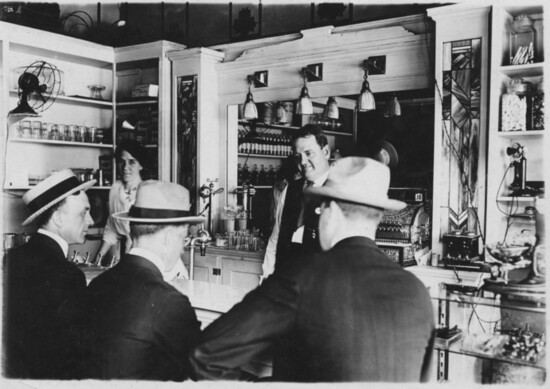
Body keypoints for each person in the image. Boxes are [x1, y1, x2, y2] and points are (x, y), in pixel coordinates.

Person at [189, 157, 435, 382]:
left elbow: (206, 356)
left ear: (331, 211)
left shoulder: (301, 278)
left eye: (319, 209)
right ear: (378, 217)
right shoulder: (417, 292)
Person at [83, 180, 203, 381]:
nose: (182, 249)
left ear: (132, 229)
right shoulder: (170, 302)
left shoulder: (99, 283)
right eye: (183, 239)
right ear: (169, 237)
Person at [3, 169, 95, 379]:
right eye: (84, 212)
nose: (90, 221)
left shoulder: (12, 258)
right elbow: (74, 355)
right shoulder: (68, 275)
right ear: (59, 218)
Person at [261, 124, 331, 279]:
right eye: (298, 156)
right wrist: (266, 278)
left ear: (325, 152)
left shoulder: (341, 191)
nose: (303, 161)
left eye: (308, 153)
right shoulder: (289, 190)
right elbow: (276, 239)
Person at [94, 139, 147, 264]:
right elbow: (112, 228)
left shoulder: (146, 191)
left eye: (132, 162)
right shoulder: (116, 188)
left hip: (144, 254)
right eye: (121, 162)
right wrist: (96, 260)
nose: (125, 167)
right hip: (127, 253)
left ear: (141, 165)